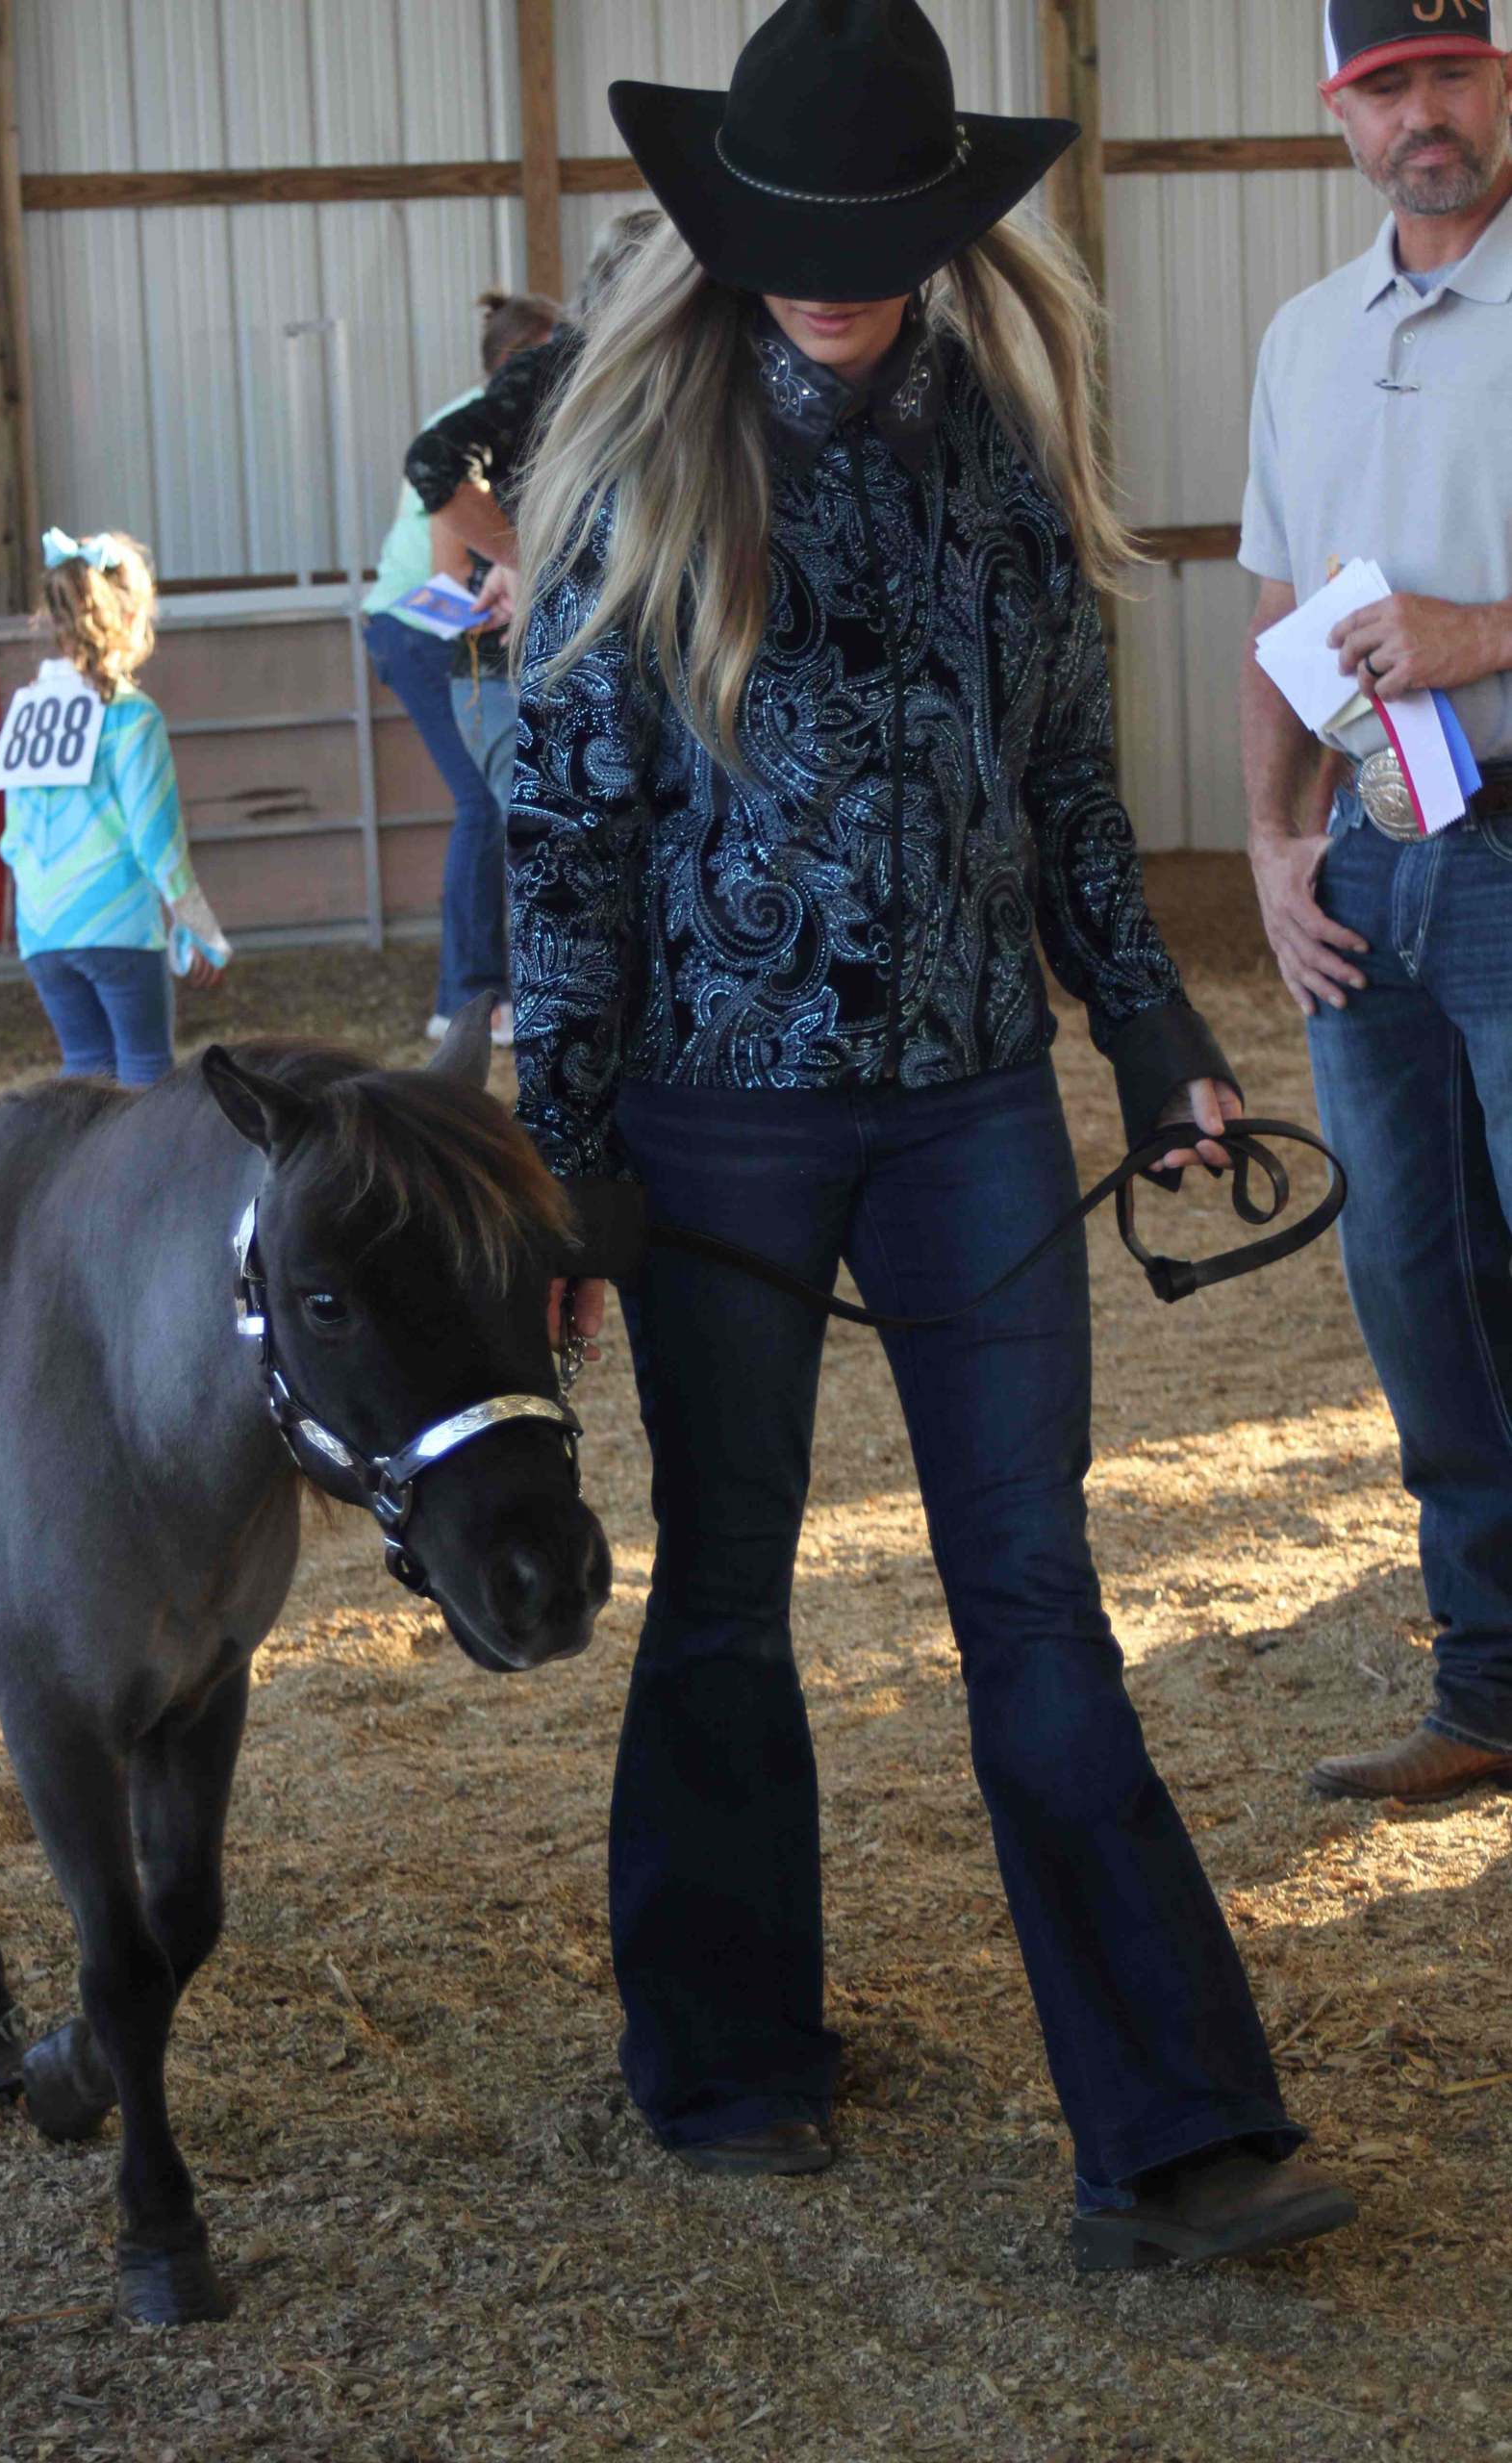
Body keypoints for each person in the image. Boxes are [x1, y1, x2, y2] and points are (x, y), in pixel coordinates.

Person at [507, 0, 1356, 2270]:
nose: (828, 268)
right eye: (789, 228)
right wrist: (564, 1158)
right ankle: (721, 2050)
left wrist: (1158, 1043)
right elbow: (566, 839)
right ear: (724, 223)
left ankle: (1171, 2126)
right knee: (718, 1589)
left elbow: (1069, 799)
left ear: (942, 228)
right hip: (714, 1121)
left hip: (974, 1103)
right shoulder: (629, 453)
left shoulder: (998, 444)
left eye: (873, 231)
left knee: (1030, 1591)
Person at [1241, 1, 1512, 1804]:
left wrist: (1478, 634)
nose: (1423, 113)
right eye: (1384, 86)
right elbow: (1266, 584)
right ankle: (1488, 1694)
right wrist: (1269, 843)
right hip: (1369, 874)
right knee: (1417, 1290)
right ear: (1340, 114)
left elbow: (1435, 629)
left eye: (1451, 74)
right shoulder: (1304, 337)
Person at [404, 216, 662, 1046]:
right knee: (509, 828)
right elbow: (437, 587)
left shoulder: (613, 409)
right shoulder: (498, 429)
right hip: (488, 664)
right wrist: (520, 568)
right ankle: (477, 994)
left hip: (544, 650)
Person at [366, 290, 560, 1047]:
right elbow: (444, 587)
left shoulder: (514, 428)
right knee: (486, 804)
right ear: (518, 364)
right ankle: (470, 997)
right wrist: (510, 597)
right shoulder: (469, 436)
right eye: (550, 355)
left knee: (502, 800)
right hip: (419, 629)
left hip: (451, 626)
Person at [0, 528, 228, 1087]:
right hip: (116, 925)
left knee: (83, 1078)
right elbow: (157, 840)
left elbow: (12, 837)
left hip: (44, 931)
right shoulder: (131, 715)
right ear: (131, 617)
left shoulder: (26, 710)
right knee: (145, 1074)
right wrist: (201, 929)